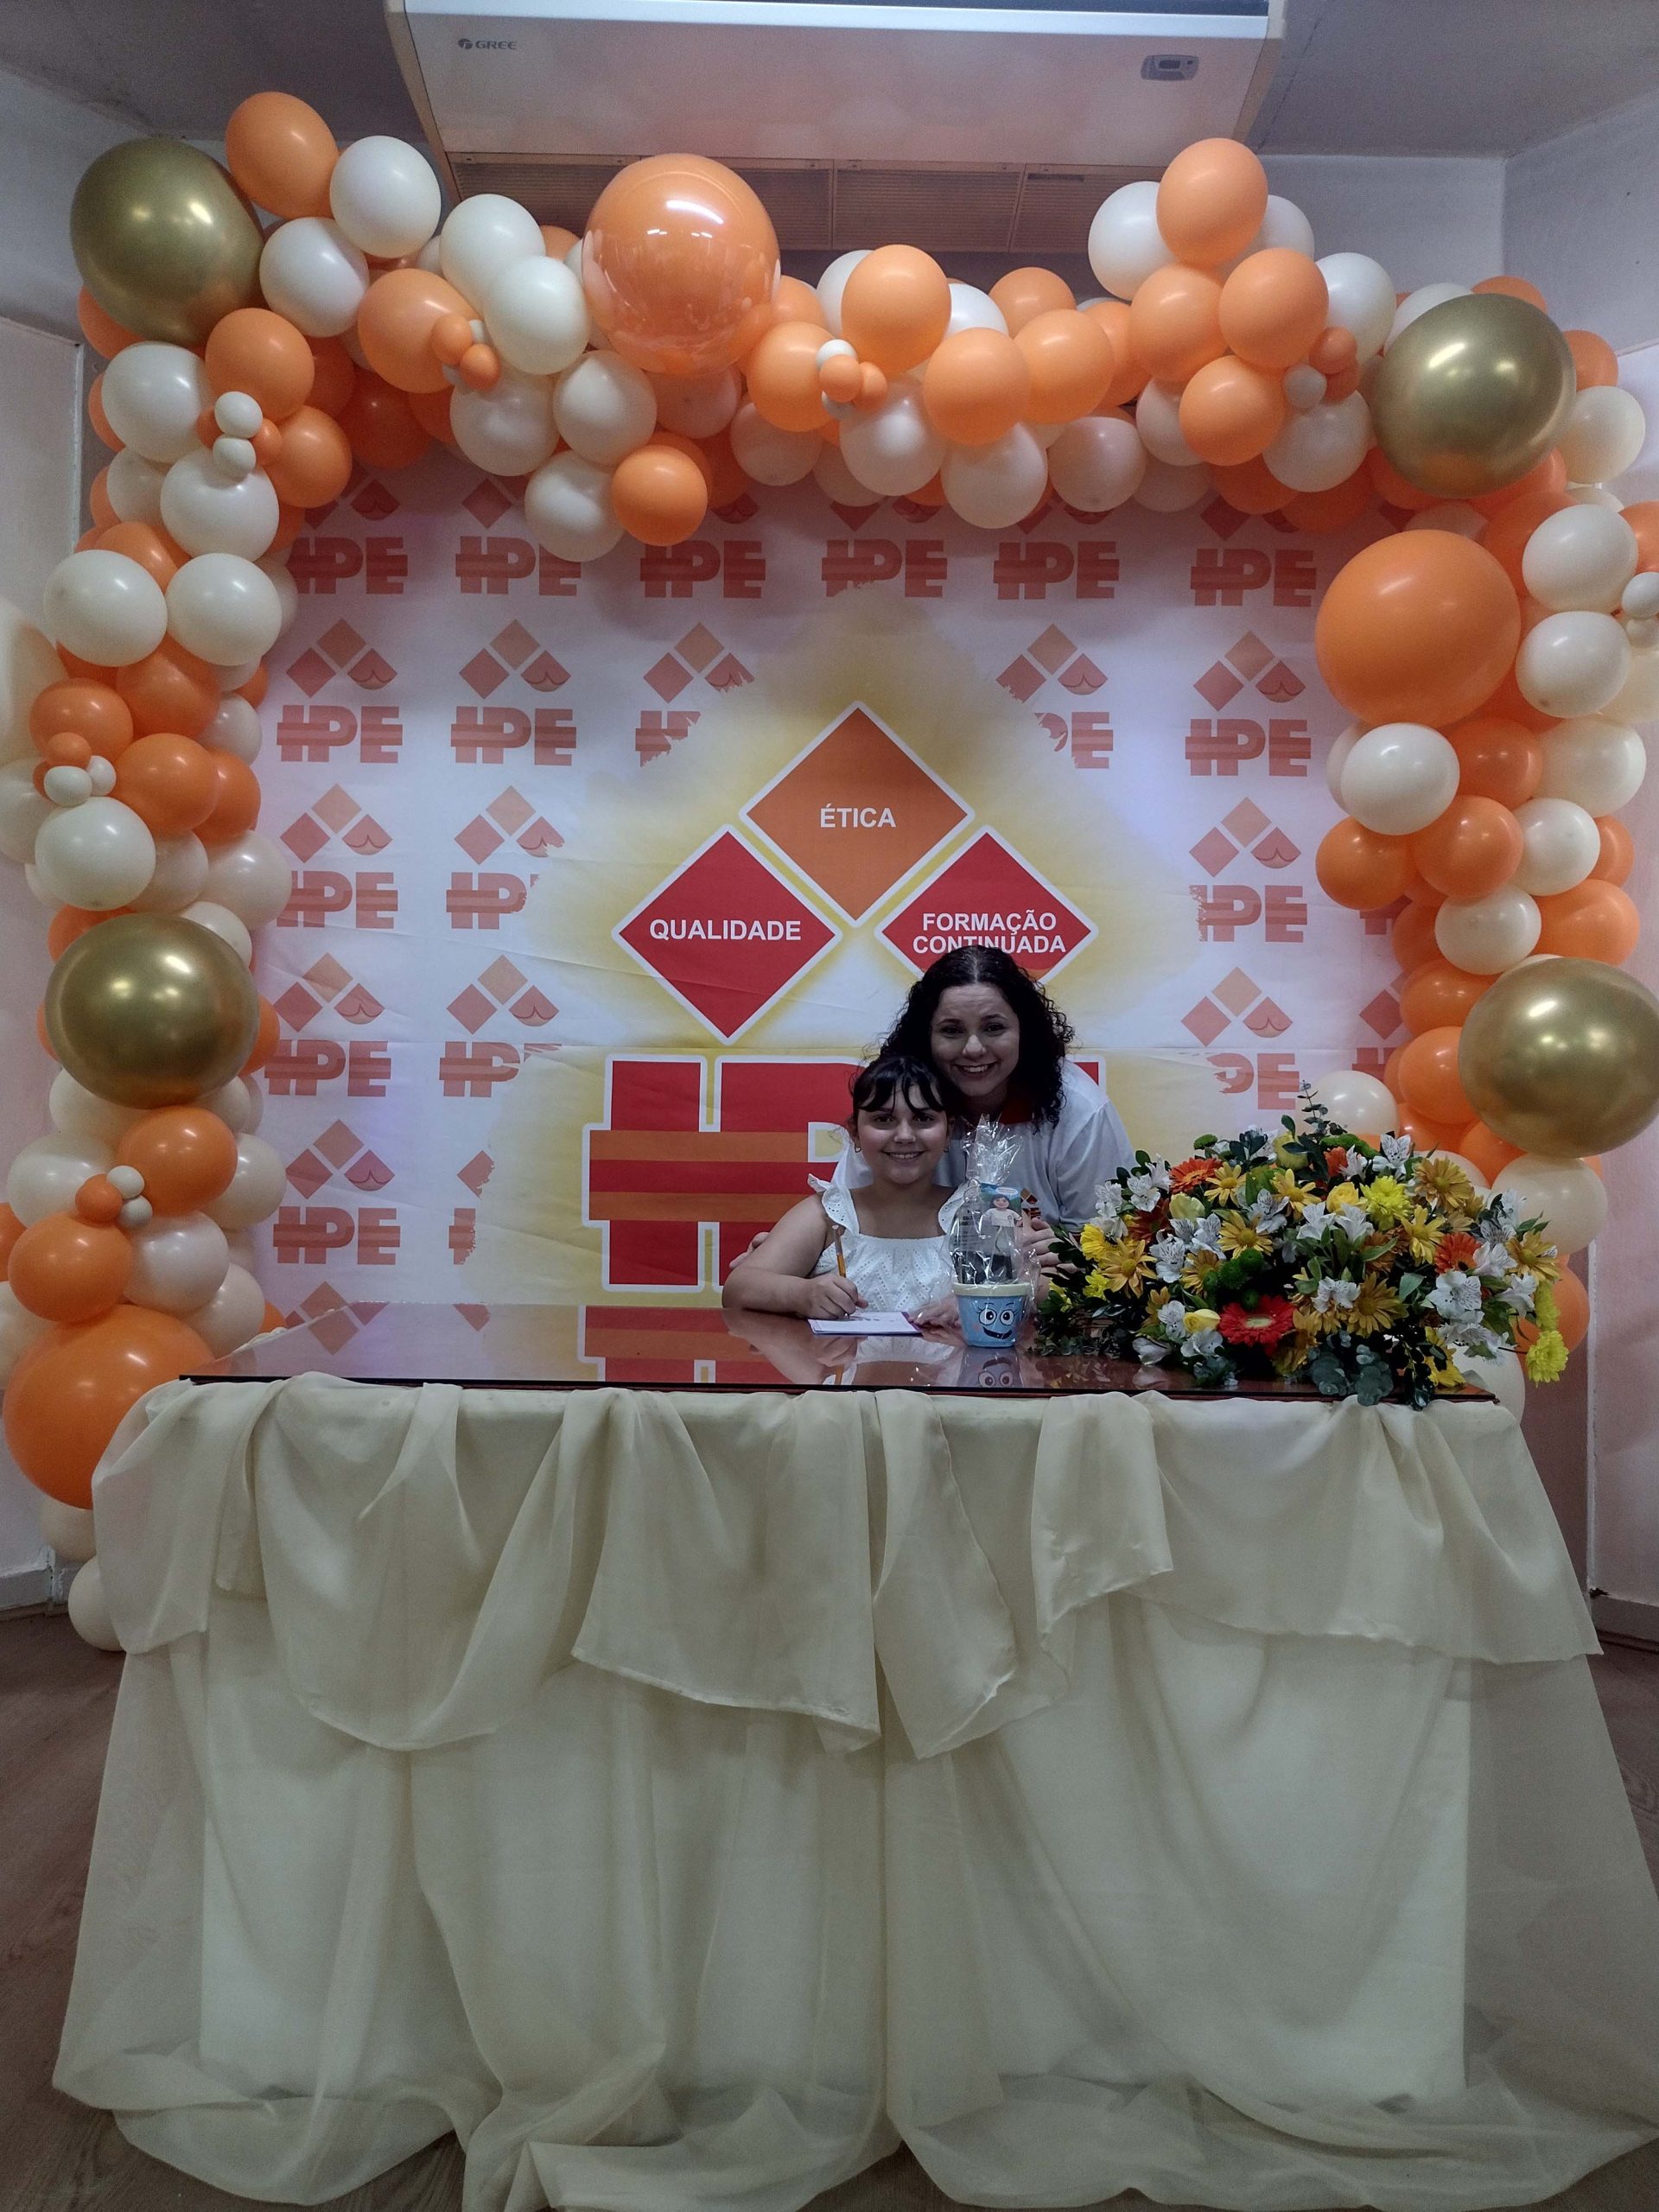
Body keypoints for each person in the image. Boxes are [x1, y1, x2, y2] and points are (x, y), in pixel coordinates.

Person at [840, 944, 1133, 1227]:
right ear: (925, 1036)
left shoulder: (1079, 1108)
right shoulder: (895, 1099)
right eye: (952, 1030)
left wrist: (1058, 1249)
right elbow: (846, 1216)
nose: (974, 1049)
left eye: (993, 1028)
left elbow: (1108, 1237)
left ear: (1025, 1030)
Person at [723, 1052, 963, 1319]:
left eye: (923, 1119)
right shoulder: (829, 1214)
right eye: (884, 1119)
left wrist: (979, 1305)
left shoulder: (975, 1216)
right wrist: (802, 1294)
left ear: (948, 1131)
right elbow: (738, 1287)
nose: (904, 1136)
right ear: (855, 1132)